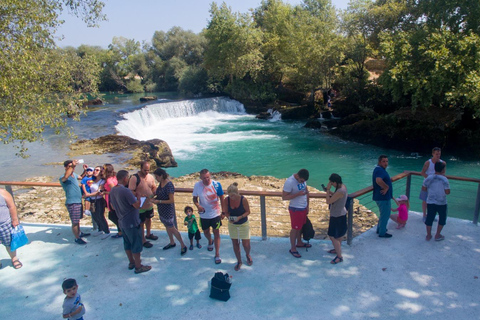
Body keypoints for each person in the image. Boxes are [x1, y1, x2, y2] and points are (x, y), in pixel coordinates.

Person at [110, 170, 151, 274]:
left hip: (122, 221)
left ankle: (131, 262)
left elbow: (113, 207)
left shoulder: (113, 190)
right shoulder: (126, 191)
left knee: (127, 244)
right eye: (128, 178)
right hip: (132, 221)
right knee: (136, 244)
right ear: (125, 179)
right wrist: (138, 197)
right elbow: (137, 205)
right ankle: (138, 266)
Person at [150, 168, 187, 255]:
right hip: (161, 210)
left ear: (161, 176)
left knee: (172, 228)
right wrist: (153, 197)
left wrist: (158, 201)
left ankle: (183, 245)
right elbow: (159, 193)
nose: (156, 179)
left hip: (168, 211)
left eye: (157, 177)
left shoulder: (169, 185)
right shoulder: (161, 183)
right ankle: (172, 242)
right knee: (167, 226)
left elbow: (171, 200)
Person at [192, 169, 225, 264]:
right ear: (200, 178)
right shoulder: (197, 186)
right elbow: (194, 198)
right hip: (204, 215)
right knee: (206, 231)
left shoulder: (216, 185)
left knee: (216, 233)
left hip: (215, 214)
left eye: (208, 177)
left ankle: (217, 254)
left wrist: (223, 212)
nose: (207, 179)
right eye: (204, 178)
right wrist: (198, 206)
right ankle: (210, 240)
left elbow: (222, 197)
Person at [222, 182, 252, 271]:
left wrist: (240, 217)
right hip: (233, 225)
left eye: (233, 196)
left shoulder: (243, 200)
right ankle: (239, 261)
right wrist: (228, 218)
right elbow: (226, 212)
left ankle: (247, 254)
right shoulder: (226, 200)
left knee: (246, 244)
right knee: (235, 243)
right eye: (230, 196)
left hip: (243, 223)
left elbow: (248, 212)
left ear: (237, 193)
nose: (232, 198)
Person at [59, 160, 91, 244]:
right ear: (65, 167)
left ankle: (79, 233)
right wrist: (72, 166)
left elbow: (81, 177)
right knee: (75, 222)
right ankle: (77, 238)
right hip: (72, 202)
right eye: (70, 166)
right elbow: (65, 177)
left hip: (78, 201)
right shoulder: (63, 177)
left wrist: (85, 170)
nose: (72, 168)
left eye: (73, 166)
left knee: (78, 219)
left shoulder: (74, 175)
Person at [282, 169, 310, 258]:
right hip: (295, 209)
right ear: (297, 176)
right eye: (302, 181)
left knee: (300, 227)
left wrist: (308, 206)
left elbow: (307, 192)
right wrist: (297, 194)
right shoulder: (289, 182)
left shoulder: (303, 180)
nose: (303, 182)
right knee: (295, 228)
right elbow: (284, 197)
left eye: (304, 181)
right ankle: (293, 248)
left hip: (303, 208)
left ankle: (299, 242)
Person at [128, 161, 157, 248]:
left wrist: (153, 193)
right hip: (140, 205)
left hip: (149, 204)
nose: (147, 172)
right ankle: (142, 239)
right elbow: (130, 191)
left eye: (148, 170)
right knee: (141, 223)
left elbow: (154, 186)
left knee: (149, 219)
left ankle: (148, 234)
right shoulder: (134, 178)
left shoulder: (151, 177)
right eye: (145, 170)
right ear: (141, 168)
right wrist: (138, 195)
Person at [422, 161, 450, 241]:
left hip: (430, 201)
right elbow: (447, 192)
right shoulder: (445, 180)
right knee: (442, 218)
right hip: (442, 202)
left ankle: (428, 235)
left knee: (429, 218)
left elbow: (424, 189)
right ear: (443, 170)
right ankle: (437, 235)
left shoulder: (429, 178)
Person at [325, 173, 348, 264]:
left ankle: (339, 256)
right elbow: (337, 197)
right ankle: (337, 249)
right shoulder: (343, 187)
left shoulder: (340, 191)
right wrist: (331, 192)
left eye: (331, 182)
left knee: (332, 236)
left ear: (335, 182)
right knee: (339, 236)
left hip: (336, 215)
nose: (330, 184)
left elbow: (328, 201)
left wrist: (327, 190)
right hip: (341, 213)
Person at [420, 147, 446, 222]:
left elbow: (443, 173)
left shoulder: (443, 163)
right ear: (433, 154)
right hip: (427, 184)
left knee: (433, 201)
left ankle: (431, 215)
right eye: (436, 154)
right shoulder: (428, 162)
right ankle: (424, 215)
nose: (438, 155)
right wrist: (430, 178)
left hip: (436, 185)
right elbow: (422, 173)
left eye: (439, 154)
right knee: (425, 200)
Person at [0, 188, 23, 269]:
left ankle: (14, 258)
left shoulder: (2, 192)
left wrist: (15, 219)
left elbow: (11, 206)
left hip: (5, 224)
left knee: (9, 243)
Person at [86, 166, 110, 239]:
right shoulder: (92, 180)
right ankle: (100, 229)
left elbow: (99, 191)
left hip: (99, 200)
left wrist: (88, 195)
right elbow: (83, 179)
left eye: (97, 170)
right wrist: (85, 170)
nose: (95, 171)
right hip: (92, 200)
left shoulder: (102, 181)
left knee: (100, 216)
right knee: (94, 215)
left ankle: (106, 231)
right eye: (95, 170)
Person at [372, 155, 393, 238]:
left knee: (383, 214)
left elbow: (381, 179)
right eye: (383, 161)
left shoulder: (378, 169)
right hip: (383, 198)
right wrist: (386, 187)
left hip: (380, 197)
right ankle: (382, 233)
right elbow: (378, 180)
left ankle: (380, 229)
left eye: (387, 161)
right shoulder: (380, 170)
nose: (385, 163)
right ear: (379, 162)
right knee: (385, 215)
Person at [103, 164, 122, 238]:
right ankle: (120, 231)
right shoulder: (115, 176)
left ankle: (121, 231)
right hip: (115, 198)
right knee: (116, 215)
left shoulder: (109, 180)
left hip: (111, 198)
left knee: (113, 216)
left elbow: (114, 190)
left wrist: (105, 192)